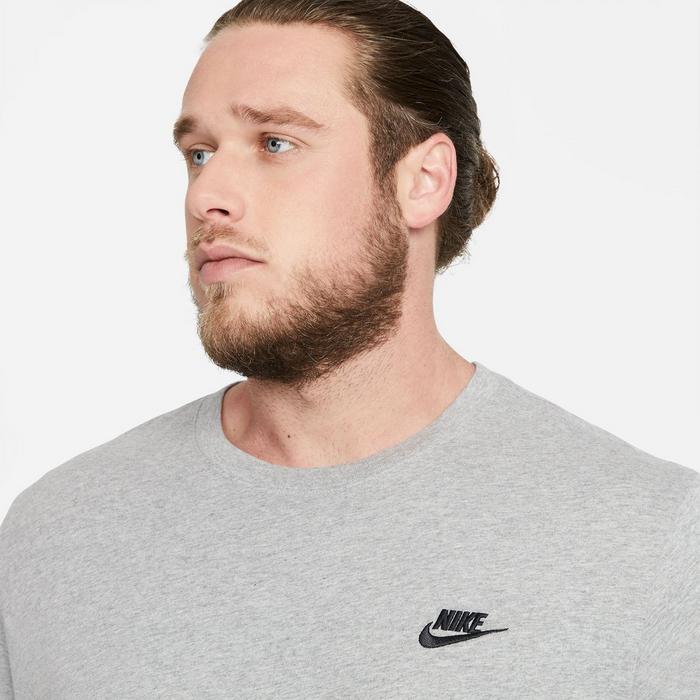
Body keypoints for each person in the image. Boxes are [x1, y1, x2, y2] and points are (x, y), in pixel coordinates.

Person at [1, 1, 697, 697]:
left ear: (422, 181)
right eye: (199, 154)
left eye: (275, 143)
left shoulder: (653, 540)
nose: (206, 194)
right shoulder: (58, 536)